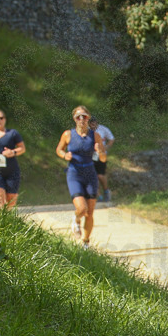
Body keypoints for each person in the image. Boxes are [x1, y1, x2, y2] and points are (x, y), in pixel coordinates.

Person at [55, 106, 106, 249]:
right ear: (74, 119)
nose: (82, 119)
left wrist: (100, 151)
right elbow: (59, 149)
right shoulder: (68, 134)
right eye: (78, 117)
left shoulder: (95, 136)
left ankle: (85, 242)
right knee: (82, 208)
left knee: (90, 212)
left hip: (90, 174)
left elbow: (103, 159)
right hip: (74, 174)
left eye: (84, 116)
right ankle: (76, 219)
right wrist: (65, 155)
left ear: (88, 118)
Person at [88, 117, 114, 202]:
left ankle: (106, 191)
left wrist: (106, 147)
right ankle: (98, 196)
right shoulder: (86, 130)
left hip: (101, 155)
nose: (93, 125)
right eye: (91, 124)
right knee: (93, 176)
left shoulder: (103, 129)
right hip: (90, 156)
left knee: (100, 175)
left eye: (94, 123)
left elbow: (111, 138)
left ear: (97, 123)